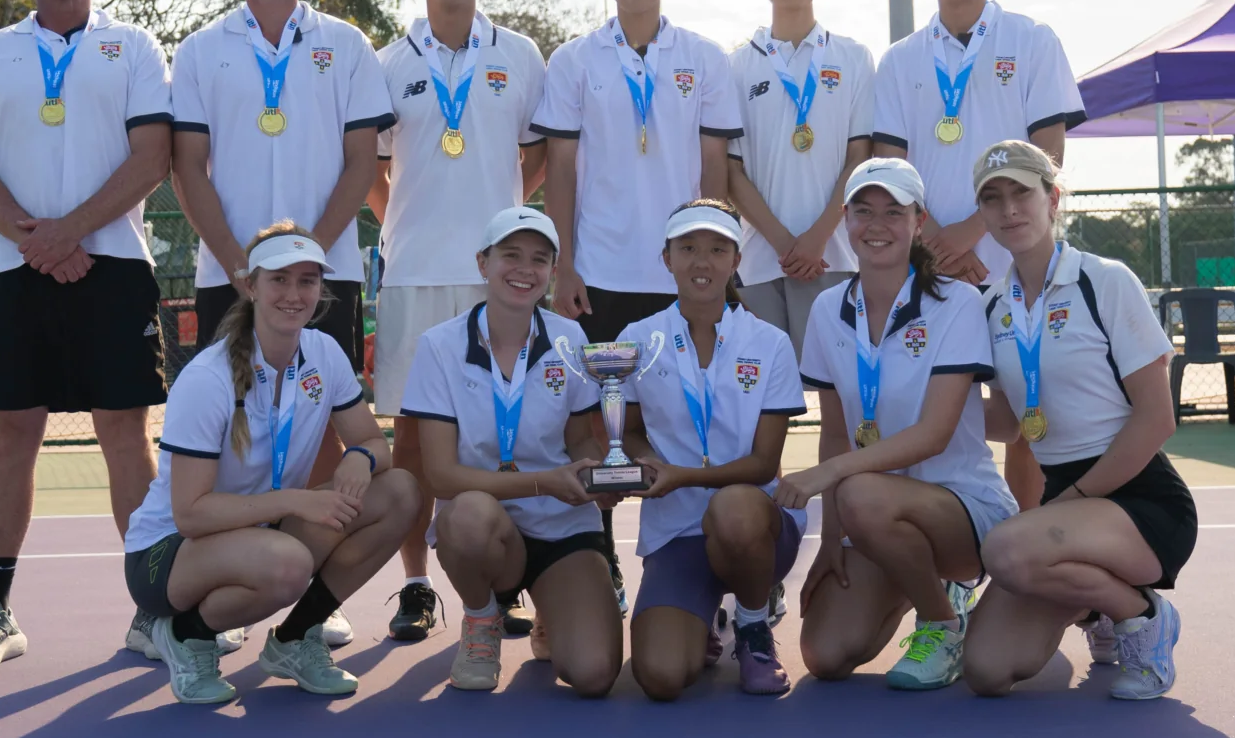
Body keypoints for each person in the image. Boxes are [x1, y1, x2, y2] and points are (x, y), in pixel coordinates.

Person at [0, 0, 174, 670]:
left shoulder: (133, 45)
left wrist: (69, 231)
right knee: (11, 435)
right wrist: (38, 240)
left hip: (115, 270)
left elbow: (152, 159)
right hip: (17, 269)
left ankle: (156, 610)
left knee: (125, 432)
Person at [121, 225, 422, 705]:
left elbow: (372, 441)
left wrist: (361, 457)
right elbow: (191, 514)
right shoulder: (207, 379)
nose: (294, 294)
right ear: (250, 285)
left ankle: (295, 639)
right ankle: (184, 634)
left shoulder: (323, 353)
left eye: (307, 280)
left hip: (261, 530)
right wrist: (295, 502)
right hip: (168, 554)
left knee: (400, 491)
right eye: (279, 279)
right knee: (288, 564)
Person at [367, 0, 548, 645]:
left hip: (496, 283)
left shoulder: (522, 55)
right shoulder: (387, 61)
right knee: (412, 443)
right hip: (413, 277)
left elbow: (539, 152)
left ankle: (503, 582)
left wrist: (503, 225)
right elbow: (371, 165)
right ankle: (415, 585)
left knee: (503, 435)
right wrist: (402, 224)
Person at [959, 140, 1194, 700]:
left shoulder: (1105, 280)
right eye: (992, 198)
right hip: (1065, 502)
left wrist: (1071, 500)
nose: (1009, 209)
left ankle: (1140, 614)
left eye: (1022, 193)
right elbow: (1010, 422)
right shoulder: (990, 306)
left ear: (1052, 199)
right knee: (987, 670)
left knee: (1006, 549)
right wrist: (924, 407)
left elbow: (1157, 419)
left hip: (1141, 498)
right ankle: (1096, 608)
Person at [781, 158, 1015, 693]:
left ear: (919, 222)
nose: (877, 225)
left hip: (963, 508)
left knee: (861, 492)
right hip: (873, 516)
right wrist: (831, 538)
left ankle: (943, 624)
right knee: (825, 655)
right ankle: (918, 576)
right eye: (864, 211)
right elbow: (835, 432)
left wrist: (833, 479)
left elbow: (935, 434)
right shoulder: (827, 309)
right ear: (845, 219)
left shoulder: (956, 302)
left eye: (894, 212)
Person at [401, 207, 613, 694]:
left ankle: (551, 613)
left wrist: (599, 472)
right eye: (510, 255)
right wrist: (544, 483)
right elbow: (441, 475)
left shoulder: (570, 338)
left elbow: (580, 438)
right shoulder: (439, 346)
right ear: (483, 263)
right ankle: (482, 619)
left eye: (539, 259)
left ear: (553, 271)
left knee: (595, 674)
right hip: (483, 522)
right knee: (466, 516)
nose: (525, 269)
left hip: (560, 523)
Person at [171, 0, 393, 364]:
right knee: (231, 401)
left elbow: (361, 163)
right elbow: (187, 167)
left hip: (326, 272)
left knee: (326, 402)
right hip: (229, 275)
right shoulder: (198, 49)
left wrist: (308, 259)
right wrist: (239, 266)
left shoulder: (348, 44)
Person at [614, 199, 809, 700]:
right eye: (688, 248)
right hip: (677, 530)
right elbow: (627, 431)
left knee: (735, 507)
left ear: (736, 260)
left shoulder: (769, 343)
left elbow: (764, 465)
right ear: (667, 258)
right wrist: (643, 461)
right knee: (660, 677)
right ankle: (701, 617)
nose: (702, 261)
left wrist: (682, 475)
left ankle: (752, 623)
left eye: (718, 249)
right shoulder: (637, 338)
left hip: (754, 524)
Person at [535, 0, 741, 345]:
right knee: (599, 390)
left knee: (683, 390)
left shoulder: (705, 58)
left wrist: (711, 259)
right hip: (597, 272)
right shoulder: (573, 60)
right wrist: (563, 266)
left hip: (681, 271)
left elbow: (714, 167)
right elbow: (561, 170)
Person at [866, 0, 1083, 287]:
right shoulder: (899, 59)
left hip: (1016, 257)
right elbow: (889, 164)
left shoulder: (1032, 39)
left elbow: (1049, 153)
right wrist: (936, 242)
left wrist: (974, 227)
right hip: (929, 263)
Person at [724, 0, 877, 356]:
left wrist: (815, 239)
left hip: (834, 254)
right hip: (759, 259)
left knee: (835, 380)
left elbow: (860, 158)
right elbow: (731, 170)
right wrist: (784, 243)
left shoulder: (852, 57)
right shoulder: (736, 66)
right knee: (764, 383)